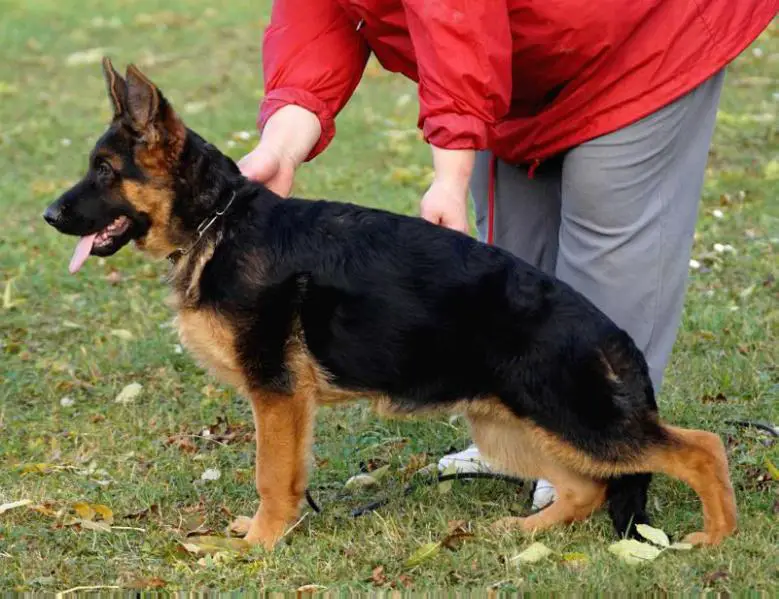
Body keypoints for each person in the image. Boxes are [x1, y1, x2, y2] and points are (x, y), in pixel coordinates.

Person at [239, 1, 777, 510]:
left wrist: (451, 176)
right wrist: (281, 148)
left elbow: (457, 18)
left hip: (639, 37)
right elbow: (317, 21)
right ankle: (527, 444)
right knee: (514, 271)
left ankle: (605, 452)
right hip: (514, 63)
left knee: (609, 229)